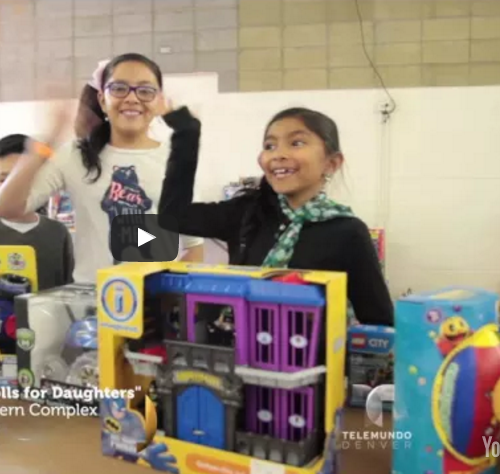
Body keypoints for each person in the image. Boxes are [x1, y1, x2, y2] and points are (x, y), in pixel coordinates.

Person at [157, 106, 393, 326]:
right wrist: (186, 134)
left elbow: (379, 322)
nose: (278, 154)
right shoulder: (249, 212)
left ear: (331, 163)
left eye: (296, 143)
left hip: (313, 355)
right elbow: (172, 217)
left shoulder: (347, 233)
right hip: (239, 350)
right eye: (270, 146)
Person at [0, 53, 204, 283]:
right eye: (119, 88)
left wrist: (166, 290)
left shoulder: (174, 159)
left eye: (145, 91)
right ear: (103, 100)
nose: (132, 98)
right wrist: (47, 141)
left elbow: (194, 248)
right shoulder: (75, 156)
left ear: (158, 101)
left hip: (151, 298)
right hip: (90, 298)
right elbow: (6, 209)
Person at [0, 134, 74, 291]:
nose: (15, 189)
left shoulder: (57, 232)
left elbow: (68, 290)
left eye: (24, 178)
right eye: (4, 180)